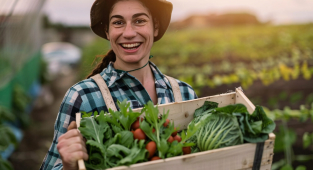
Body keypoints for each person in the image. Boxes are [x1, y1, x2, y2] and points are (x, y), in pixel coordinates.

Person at [40, 0, 197, 170]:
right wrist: (68, 166)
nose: (129, 33)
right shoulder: (82, 97)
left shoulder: (183, 92)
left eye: (139, 21)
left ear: (155, 27)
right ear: (108, 31)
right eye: (118, 22)